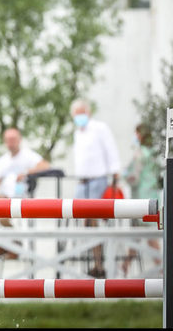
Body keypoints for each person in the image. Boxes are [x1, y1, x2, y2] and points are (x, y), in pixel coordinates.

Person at [70, 98, 121, 278]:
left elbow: (111, 150)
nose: (79, 117)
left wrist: (115, 172)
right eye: (76, 115)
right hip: (82, 183)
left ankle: (99, 264)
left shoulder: (99, 128)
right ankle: (94, 263)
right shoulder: (78, 133)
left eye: (81, 113)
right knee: (79, 220)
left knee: (92, 220)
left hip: (98, 180)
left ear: (88, 112)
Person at [0, 128, 50, 259]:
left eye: (13, 140)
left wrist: (26, 172)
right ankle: (2, 245)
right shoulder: (3, 160)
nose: (10, 143)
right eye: (8, 140)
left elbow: (46, 166)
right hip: (3, 197)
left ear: (19, 140)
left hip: (20, 197)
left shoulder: (28, 155)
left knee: (2, 214)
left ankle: (13, 245)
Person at [121, 123, 162, 275]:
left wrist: (123, 176)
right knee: (138, 234)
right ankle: (125, 266)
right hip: (153, 197)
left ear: (140, 135)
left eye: (136, 133)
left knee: (148, 236)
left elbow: (134, 178)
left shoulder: (140, 154)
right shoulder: (153, 153)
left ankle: (163, 268)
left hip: (141, 199)